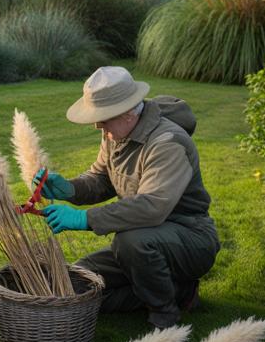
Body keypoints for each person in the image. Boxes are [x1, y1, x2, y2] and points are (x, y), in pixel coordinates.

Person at [33, 66, 219, 328]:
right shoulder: (116, 133)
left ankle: (164, 315)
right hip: (144, 240)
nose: (97, 125)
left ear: (129, 112)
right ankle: (178, 292)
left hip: (189, 239)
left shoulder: (168, 143)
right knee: (77, 282)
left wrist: (84, 218)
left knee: (130, 241)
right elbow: (100, 178)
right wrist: (69, 188)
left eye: (103, 118)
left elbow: (152, 207)